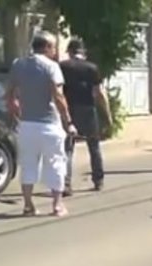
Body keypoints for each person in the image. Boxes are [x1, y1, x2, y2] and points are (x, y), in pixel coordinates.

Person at [6, 32, 77, 217]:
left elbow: (10, 94)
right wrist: (68, 121)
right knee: (55, 163)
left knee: (28, 165)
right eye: (53, 47)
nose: (55, 51)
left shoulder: (18, 64)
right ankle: (57, 205)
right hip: (49, 125)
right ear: (46, 47)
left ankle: (28, 205)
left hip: (27, 125)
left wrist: (15, 109)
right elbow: (58, 95)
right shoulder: (51, 67)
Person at [60, 38, 112, 193]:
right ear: (83, 52)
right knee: (94, 146)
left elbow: (58, 91)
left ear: (69, 52)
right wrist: (107, 115)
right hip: (88, 109)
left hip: (69, 110)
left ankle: (66, 183)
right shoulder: (92, 68)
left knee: (68, 148)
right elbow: (99, 93)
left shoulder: (62, 67)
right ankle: (98, 180)